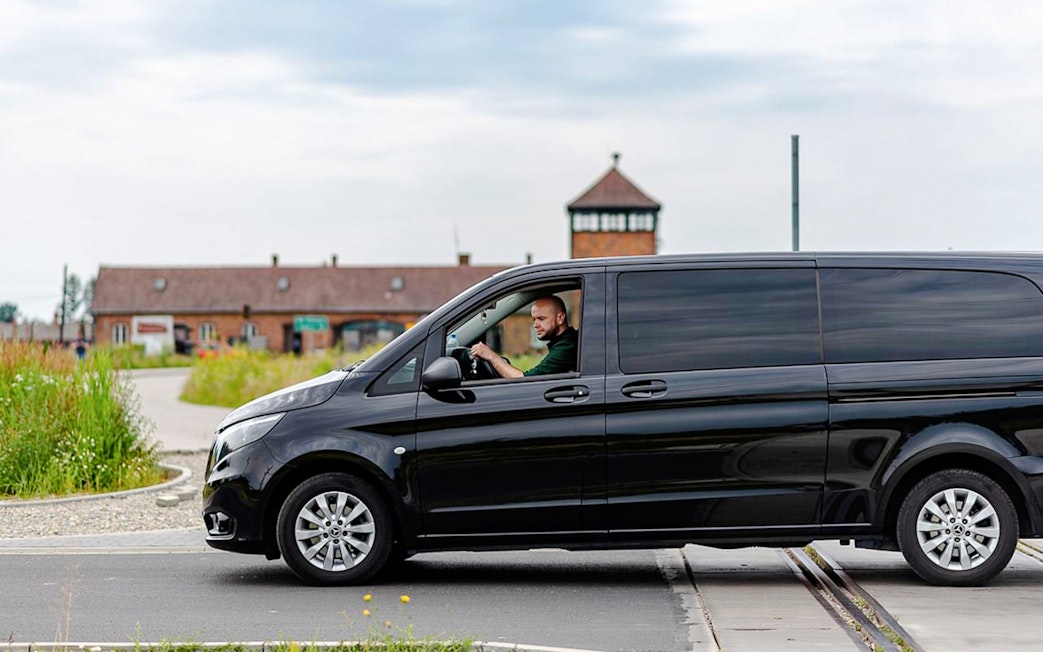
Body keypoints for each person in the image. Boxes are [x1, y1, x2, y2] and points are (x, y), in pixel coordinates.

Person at [470, 295, 578, 378]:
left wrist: (491, 356)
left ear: (560, 318)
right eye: (534, 319)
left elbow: (524, 380)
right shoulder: (565, 342)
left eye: (541, 318)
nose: (535, 325)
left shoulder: (566, 348)